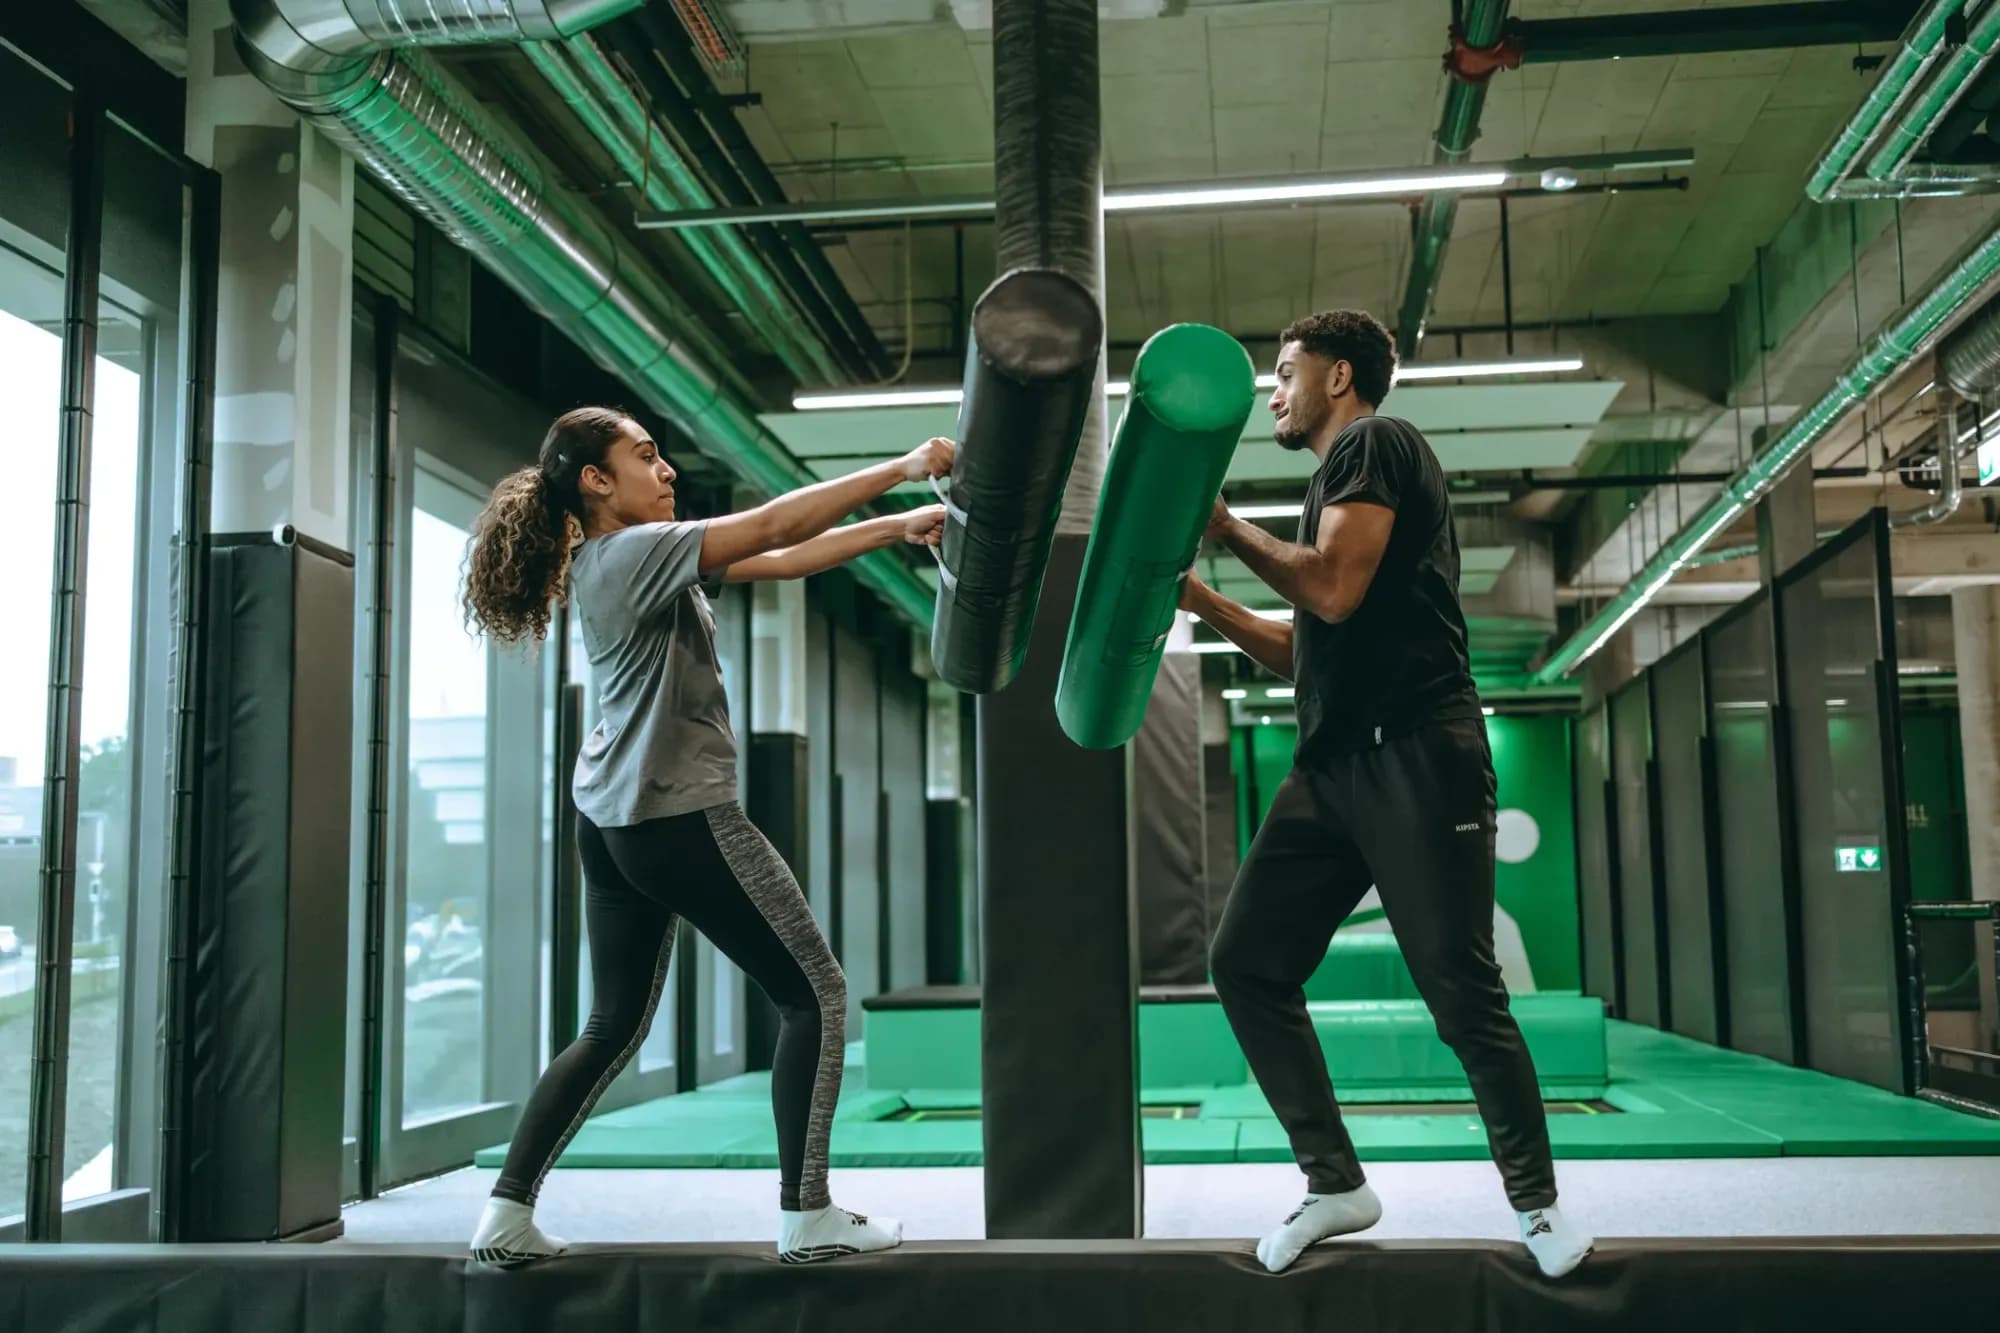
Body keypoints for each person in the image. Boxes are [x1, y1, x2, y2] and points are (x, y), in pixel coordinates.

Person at [461, 404, 951, 1267]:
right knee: (816, 995)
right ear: (596, 481)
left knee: (612, 1023)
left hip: (611, 818)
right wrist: (902, 467)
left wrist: (893, 527)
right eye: (645, 455)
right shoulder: (633, 552)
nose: (668, 470)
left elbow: (782, 558)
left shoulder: (622, 559)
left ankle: (506, 1214)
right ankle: (808, 1213)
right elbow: (773, 523)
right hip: (677, 814)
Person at [1180, 311, 1592, 1279]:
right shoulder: (1327, 488)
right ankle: (1334, 1183)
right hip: (1330, 768)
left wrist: (1224, 525)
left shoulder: (1374, 443)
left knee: (1461, 992)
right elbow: (1306, 645)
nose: (1273, 394)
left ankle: (1538, 1208)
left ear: (1338, 377)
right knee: (1245, 961)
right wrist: (1203, 600)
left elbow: (1329, 590)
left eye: (1285, 373)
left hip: (1417, 751)